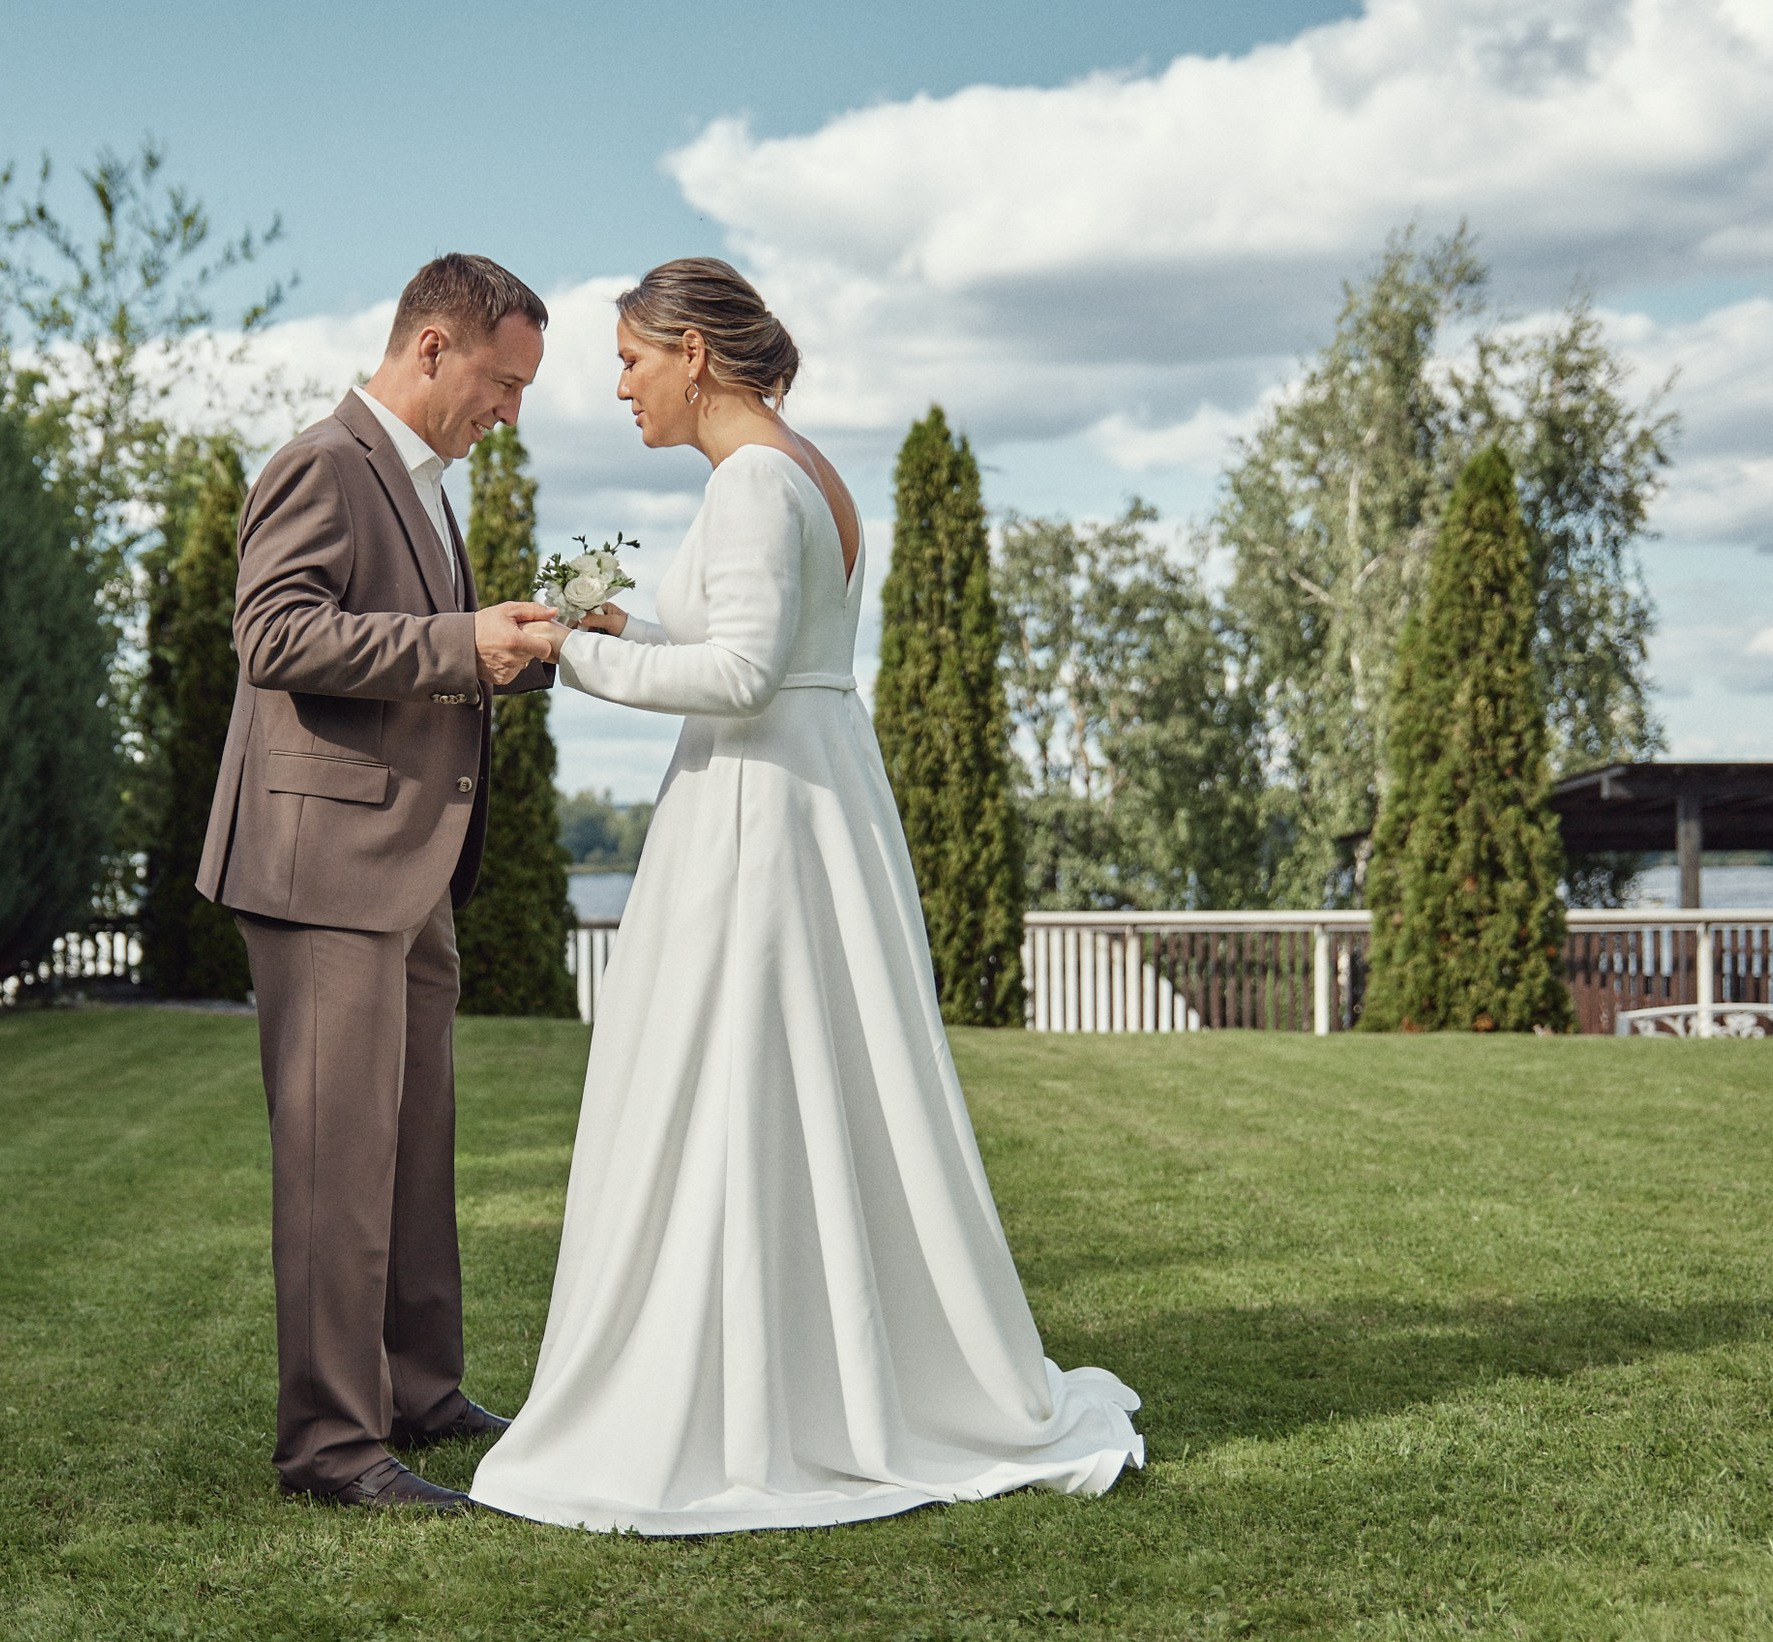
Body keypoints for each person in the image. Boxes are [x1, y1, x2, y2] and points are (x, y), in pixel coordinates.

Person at [468, 258, 1146, 1533]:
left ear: (693, 356)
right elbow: (765, 655)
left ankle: (750, 1400)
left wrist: (573, 647)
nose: (618, 386)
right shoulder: (805, 472)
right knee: (789, 1086)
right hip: (806, 791)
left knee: (730, 1082)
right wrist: (632, 628)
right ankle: (805, 1368)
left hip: (757, 818)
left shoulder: (753, 482)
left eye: (628, 360)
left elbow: (737, 680)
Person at [197, 253, 561, 1510]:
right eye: (502, 384)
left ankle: (418, 1391)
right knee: (335, 1171)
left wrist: (528, 646)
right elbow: (276, 634)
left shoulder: (418, 484)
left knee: (413, 1160)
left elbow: (416, 656)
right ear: (430, 350)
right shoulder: (322, 462)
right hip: (324, 876)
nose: (508, 414)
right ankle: (333, 1450)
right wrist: (465, 641)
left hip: (409, 877)